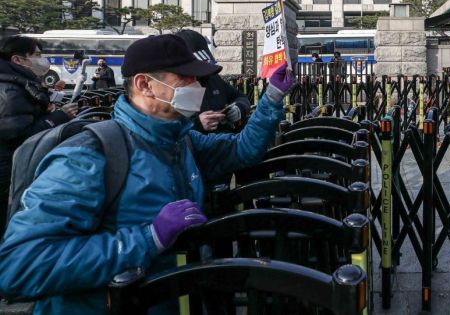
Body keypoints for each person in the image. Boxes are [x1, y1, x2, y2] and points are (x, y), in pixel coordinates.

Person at [0, 34, 293, 314]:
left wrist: (272, 98)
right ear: (145, 84)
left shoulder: (181, 140)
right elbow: (20, 266)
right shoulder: (89, 154)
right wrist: (147, 239)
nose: (197, 86)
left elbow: (241, 150)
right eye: (185, 78)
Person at [0, 36, 78, 231]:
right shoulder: (10, 90)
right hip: (8, 170)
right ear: (18, 60)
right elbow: (19, 135)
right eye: (36, 55)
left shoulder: (18, 83)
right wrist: (59, 117)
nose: (42, 60)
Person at [175, 30, 250, 134]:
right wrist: (197, 124)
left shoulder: (213, 78)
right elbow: (169, 129)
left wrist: (239, 108)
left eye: (204, 62)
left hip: (225, 141)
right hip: (194, 147)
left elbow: (241, 97)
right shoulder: (172, 87)